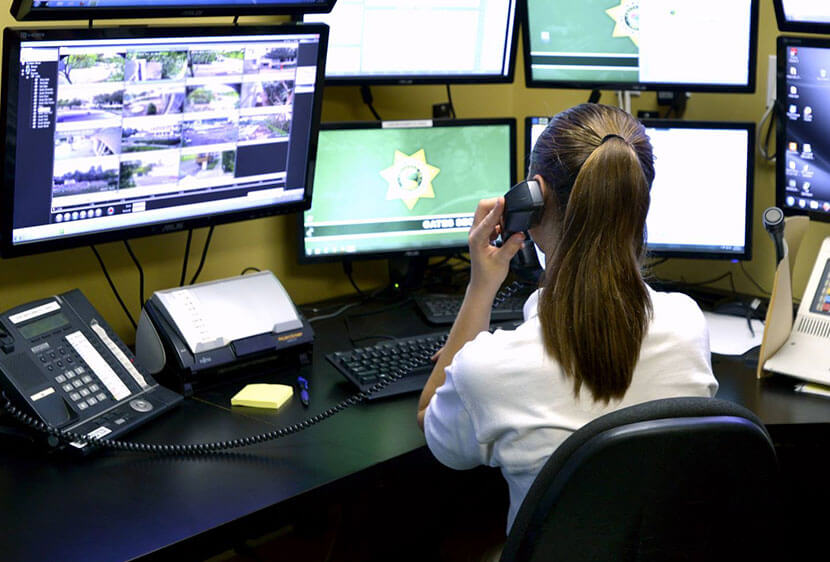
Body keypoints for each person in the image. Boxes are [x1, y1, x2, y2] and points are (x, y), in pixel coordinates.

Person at [416, 103, 718, 537]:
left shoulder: (489, 369)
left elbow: (433, 423)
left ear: (532, 202)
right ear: (639, 202)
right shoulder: (689, 326)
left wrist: (481, 285)